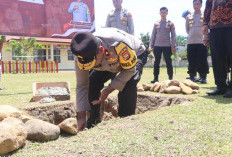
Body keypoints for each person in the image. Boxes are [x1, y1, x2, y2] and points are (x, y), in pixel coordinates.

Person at [71, 28, 147, 131]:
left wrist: (107, 90)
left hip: (135, 54)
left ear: (100, 50)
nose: (91, 66)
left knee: (128, 84)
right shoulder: (82, 54)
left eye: (93, 64)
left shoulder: (119, 44)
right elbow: (82, 85)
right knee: (92, 82)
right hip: (109, 61)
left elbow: (129, 71)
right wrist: (81, 117)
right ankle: (93, 120)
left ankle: (126, 121)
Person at [203, 0, 232, 97]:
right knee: (217, 58)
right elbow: (208, 7)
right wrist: (205, 23)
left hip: (230, 25)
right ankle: (221, 86)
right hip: (214, 26)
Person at [148, 7, 177, 83]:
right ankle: (155, 78)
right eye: (162, 12)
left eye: (164, 12)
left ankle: (170, 78)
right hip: (157, 46)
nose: (163, 14)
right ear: (160, 13)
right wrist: (150, 45)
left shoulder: (171, 23)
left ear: (167, 13)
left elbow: (174, 36)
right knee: (156, 62)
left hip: (167, 46)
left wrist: (173, 46)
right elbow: (153, 35)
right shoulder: (156, 23)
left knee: (168, 62)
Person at [185, 0, 209, 83]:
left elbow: (207, 27)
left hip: (202, 41)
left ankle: (203, 77)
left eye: (198, 4)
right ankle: (192, 76)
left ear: (201, 5)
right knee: (191, 60)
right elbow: (187, 29)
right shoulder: (189, 16)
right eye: (194, 4)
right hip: (191, 41)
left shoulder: (205, 15)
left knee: (202, 60)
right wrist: (192, 34)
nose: (196, 5)